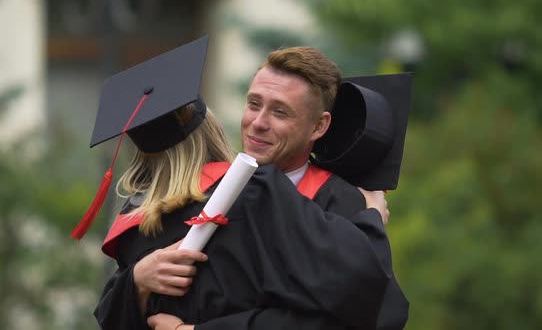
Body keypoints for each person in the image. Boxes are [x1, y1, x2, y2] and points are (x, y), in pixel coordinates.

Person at [74, 37, 395, 330]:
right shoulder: (198, 196)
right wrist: (138, 281)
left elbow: (364, 315)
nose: (258, 123)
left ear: (318, 126)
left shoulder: (341, 203)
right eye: (254, 104)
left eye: (279, 112)